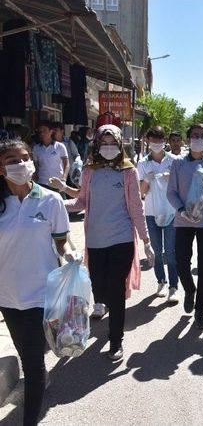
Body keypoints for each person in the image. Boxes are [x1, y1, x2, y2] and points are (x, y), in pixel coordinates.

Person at [0, 139, 75, 426]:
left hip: (40, 294)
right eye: (10, 160)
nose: (19, 165)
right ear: (0, 168)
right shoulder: (1, 204)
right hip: (7, 296)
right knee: (27, 352)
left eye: (23, 158)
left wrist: (70, 257)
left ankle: (29, 420)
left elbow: (61, 244)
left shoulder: (51, 200)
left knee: (32, 365)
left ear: (33, 162)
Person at [65, 124, 154, 361]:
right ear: (96, 145)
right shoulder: (89, 171)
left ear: (120, 145)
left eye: (112, 143)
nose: (108, 148)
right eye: (103, 143)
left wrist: (146, 240)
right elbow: (81, 202)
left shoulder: (128, 172)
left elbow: (136, 208)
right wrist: (56, 203)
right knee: (99, 289)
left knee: (115, 291)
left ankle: (116, 341)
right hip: (95, 241)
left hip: (121, 240)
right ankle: (105, 313)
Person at [167, 123, 203, 330]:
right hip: (183, 221)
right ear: (188, 139)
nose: (199, 138)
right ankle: (189, 289)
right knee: (181, 262)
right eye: (195, 136)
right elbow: (171, 192)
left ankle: (200, 310)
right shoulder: (179, 163)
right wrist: (181, 210)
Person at [137, 126, 179, 303]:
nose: (156, 144)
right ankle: (161, 281)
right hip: (152, 213)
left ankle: (173, 286)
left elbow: (181, 189)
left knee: (171, 251)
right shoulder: (143, 163)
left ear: (165, 141)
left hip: (171, 211)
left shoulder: (175, 161)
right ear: (148, 141)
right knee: (156, 251)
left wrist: (173, 179)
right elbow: (141, 192)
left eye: (159, 140)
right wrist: (147, 179)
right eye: (153, 140)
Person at [32, 120, 69, 193]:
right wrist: (34, 181)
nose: (42, 133)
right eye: (40, 131)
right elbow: (36, 166)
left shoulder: (60, 146)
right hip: (42, 183)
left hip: (57, 183)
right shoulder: (36, 148)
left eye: (44, 130)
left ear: (51, 131)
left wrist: (64, 179)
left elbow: (66, 164)